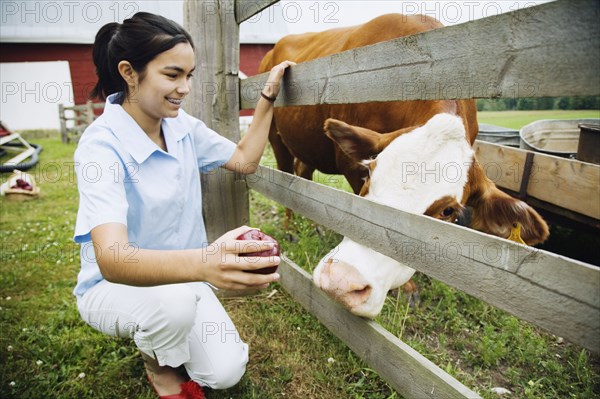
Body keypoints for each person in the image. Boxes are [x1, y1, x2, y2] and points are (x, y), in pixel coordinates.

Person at [73, 12, 294, 399]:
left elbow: (244, 160)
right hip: (113, 287)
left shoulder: (181, 126)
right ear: (129, 72)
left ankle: (168, 332)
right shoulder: (100, 146)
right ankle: (159, 368)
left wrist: (268, 95)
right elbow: (112, 259)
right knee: (172, 305)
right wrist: (208, 262)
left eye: (189, 75)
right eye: (173, 75)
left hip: (184, 279)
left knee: (225, 373)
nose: (185, 88)